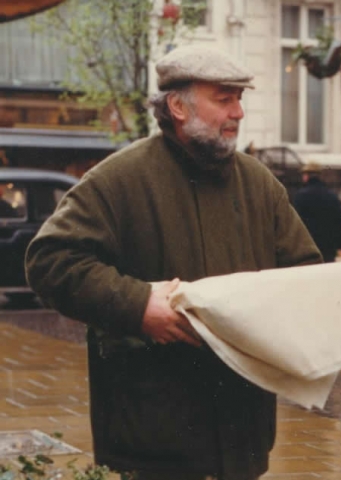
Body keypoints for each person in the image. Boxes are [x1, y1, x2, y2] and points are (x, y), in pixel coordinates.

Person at [25, 44, 323, 480]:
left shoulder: (259, 184)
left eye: (240, 99)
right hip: (150, 444)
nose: (238, 112)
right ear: (178, 106)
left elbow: (306, 273)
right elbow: (49, 260)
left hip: (242, 444)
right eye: (224, 99)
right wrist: (138, 305)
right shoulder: (119, 179)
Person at [292, 162, 341, 262]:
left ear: (306, 176)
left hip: (307, 247)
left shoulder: (300, 196)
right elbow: (339, 223)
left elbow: (295, 223)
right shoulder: (332, 196)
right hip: (328, 248)